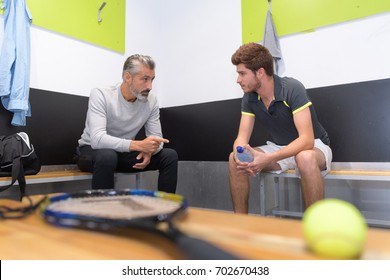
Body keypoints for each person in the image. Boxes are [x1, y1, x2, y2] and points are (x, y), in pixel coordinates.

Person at [229, 43, 332, 213]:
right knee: (234, 159)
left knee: (305, 158)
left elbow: (306, 140)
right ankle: (240, 224)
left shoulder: (291, 88)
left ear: (260, 72)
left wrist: (268, 159)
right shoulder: (249, 98)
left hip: (314, 145)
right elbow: (241, 138)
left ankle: (316, 228)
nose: (238, 80)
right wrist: (240, 154)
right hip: (280, 148)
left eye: (242, 74)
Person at [76, 54, 178, 193]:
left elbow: (157, 139)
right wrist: (138, 145)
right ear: (127, 77)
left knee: (169, 155)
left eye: (152, 79)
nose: (150, 86)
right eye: (145, 79)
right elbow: (97, 139)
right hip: (92, 151)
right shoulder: (101, 94)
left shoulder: (152, 101)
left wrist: (149, 151)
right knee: (107, 155)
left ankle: (166, 208)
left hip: (123, 153)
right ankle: (104, 211)